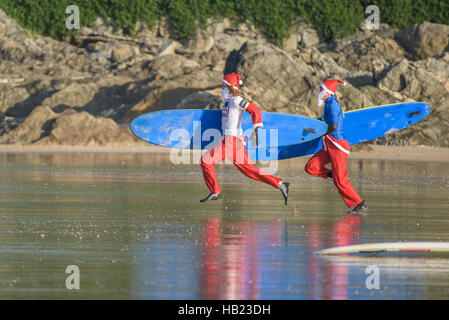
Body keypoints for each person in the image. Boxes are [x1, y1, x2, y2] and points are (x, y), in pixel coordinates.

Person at [200, 72, 290, 205]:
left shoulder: (237, 101)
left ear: (230, 87)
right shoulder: (228, 102)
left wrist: (256, 127)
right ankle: (280, 184)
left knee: (205, 161)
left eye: (223, 86)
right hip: (234, 141)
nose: (221, 88)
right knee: (250, 171)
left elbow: (254, 110)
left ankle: (215, 191)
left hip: (231, 141)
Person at [305, 79, 367, 214]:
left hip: (337, 146)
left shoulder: (333, 105)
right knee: (311, 167)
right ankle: (333, 174)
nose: (319, 92)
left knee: (341, 181)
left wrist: (317, 132)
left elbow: (333, 127)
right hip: (328, 145)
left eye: (321, 90)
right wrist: (308, 129)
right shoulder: (328, 105)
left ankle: (359, 203)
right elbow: (322, 124)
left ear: (328, 92)